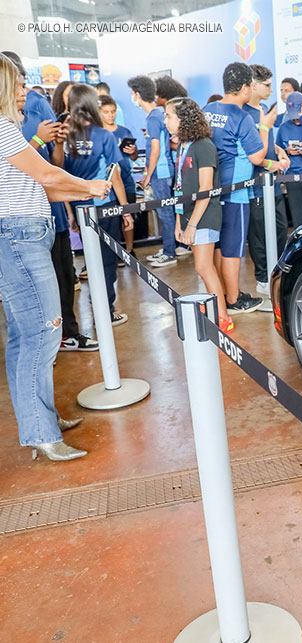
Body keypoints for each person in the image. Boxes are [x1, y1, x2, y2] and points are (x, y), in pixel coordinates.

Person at [0, 53, 112, 460]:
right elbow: (48, 176)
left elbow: (43, 188)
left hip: (21, 236)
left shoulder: (10, 130)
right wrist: (90, 186)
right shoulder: (3, 129)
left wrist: (85, 189)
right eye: (17, 84)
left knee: (25, 338)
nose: (24, 90)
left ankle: (40, 420)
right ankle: (41, 432)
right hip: (19, 239)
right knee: (44, 333)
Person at [204, 62, 283, 314]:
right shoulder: (242, 117)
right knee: (232, 249)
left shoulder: (209, 109)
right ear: (246, 88)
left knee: (218, 246)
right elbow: (257, 157)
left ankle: (221, 294)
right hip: (236, 192)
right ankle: (234, 299)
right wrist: (265, 126)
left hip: (212, 190)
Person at [54, 83, 134, 327]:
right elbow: (114, 174)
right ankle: (105, 311)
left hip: (79, 207)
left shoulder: (65, 136)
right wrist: (125, 210)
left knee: (92, 259)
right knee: (107, 261)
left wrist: (69, 212)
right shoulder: (103, 135)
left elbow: (59, 173)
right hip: (103, 205)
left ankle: (98, 307)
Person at [164, 97, 233, 334]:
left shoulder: (204, 146)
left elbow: (206, 189)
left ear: (183, 118)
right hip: (188, 215)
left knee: (204, 267)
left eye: (169, 116)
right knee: (204, 267)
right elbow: (179, 187)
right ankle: (215, 309)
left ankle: (223, 317)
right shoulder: (183, 145)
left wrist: (192, 225)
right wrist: (179, 222)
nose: (166, 121)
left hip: (205, 216)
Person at [244, 64, 288, 295]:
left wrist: (280, 151)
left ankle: (278, 275)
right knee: (260, 235)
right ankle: (263, 278)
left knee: (280, 231)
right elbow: (251, 153)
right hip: (256, 186)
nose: (272, 90)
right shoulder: (243, 115)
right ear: (253, 85)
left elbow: (268, 142)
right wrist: (269, 163)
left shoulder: (263, 110)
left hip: (274, 185)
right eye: (267, 85)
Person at [127, 75, 179, 267]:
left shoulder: (154, 117)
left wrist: (148, 175)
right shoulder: (156, 116)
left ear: (138, 94)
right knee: (165, 212)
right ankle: (168, 248)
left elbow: (156, 150)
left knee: (166, 213)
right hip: (160, 171)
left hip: (161, 172)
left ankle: (170, 252)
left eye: (132, 93)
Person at [98, 94, 138, 260]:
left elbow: (134, 156)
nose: (110, 115)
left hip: (126, 180)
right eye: (106, 112)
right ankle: (113, 253)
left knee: (128, 215)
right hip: (106, 184)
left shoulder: (124, 131)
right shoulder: (98, 134)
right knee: (111, 221)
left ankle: (130, 250)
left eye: (113, 111)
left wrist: (132, 152)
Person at [276, 91, 302, 228]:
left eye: (299, 117)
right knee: (299, 221)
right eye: (293, 117)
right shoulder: (283, 128)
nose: (297, 120)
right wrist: (287, 151)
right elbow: (278, 152)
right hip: (293, 179)